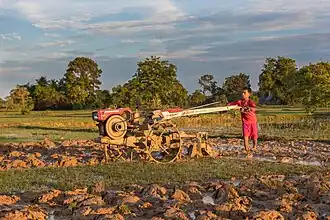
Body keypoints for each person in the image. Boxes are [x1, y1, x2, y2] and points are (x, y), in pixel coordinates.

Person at [227, 87, 258, 157]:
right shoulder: (240, 102)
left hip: (253, 121)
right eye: (242, 93)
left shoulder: (250, 102)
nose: (243, 94)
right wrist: (228, 105)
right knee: (245, 136)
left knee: (254, 136)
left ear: (249, 94)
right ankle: (246, 149)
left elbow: (254, 108)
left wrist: (249, 108)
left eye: (245, 93)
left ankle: (255, 147)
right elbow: (232, 104)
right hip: (245, 122)